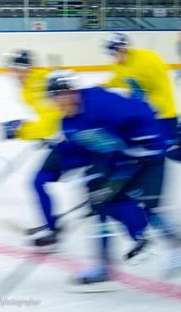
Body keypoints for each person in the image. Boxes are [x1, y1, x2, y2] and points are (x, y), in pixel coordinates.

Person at [45, 70, 173, 285]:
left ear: (73, 92)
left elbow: (142, 110)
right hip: (113, 160)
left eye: (60, 96)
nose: (58, 103)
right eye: (53, 99)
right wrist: (63, 168)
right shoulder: (68, 123)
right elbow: (81, 152)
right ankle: (104, 266)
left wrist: (143, 145)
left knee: (148, 207)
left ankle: (173, 244)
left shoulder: (101, 103)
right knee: (99, 204)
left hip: (147, 155)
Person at [1, 51, 90, 247]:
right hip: (66, 138)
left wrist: (21, 131)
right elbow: (51, 117)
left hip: (80, 139)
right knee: (39, 181)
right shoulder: (25, 90)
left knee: (95, 189)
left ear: (28, 68)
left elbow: (50, 121)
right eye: (14, 70)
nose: (16, 74)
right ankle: (52, 226)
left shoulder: (38, 84)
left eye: (20, 69)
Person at [102, 32, 179, 153]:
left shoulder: (148, 58)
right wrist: (99, 88)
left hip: (163, 114)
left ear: (123, 48)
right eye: (111, 54)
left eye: (114, 53)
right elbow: (118, 80)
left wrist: (148, 106)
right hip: (143, 113)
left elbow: (161, 87)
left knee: (160, 150)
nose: (113, 57)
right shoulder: (119, 65)